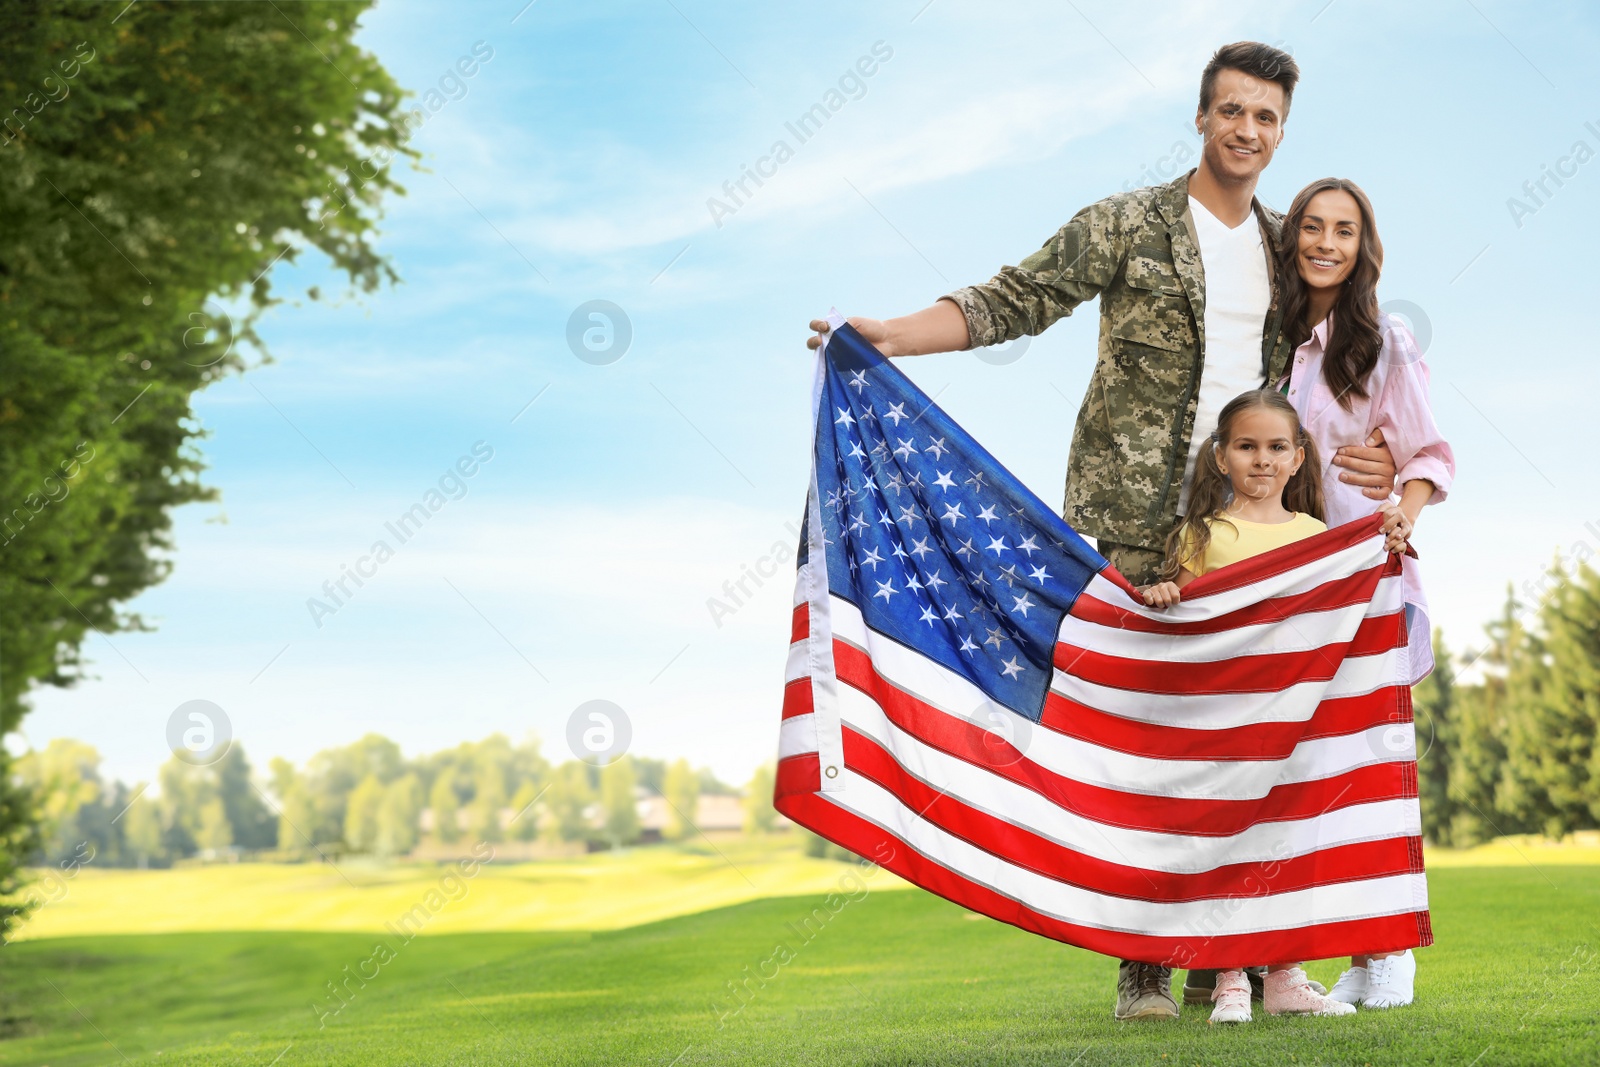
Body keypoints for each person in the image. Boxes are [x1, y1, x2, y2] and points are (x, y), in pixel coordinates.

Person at [808, 41, 1397, 1020]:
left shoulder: (1287, 244)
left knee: (1248, 738)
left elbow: (1355, 347)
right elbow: (1013, 298)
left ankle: (1242, 958)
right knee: (1139, 739)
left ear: (1282, 132)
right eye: (1231, 111)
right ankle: (1142, 966)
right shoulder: (1124, 224)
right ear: (1201, 117)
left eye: (1266, 118)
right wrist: (886, 337)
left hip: (1244, 532)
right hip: (1126, 526)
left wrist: (1385, 457)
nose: (1247, 131)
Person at [1139, 388, 1414, 1022]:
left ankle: (1286, 976)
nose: (1261, 460)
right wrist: (1162, 593)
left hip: (1296, 722)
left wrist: (1386, 544)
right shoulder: (1203, 533)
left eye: (1275, 448)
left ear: (1297, 458)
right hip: (1229, 721)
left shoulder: (1318, 538)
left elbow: (1338, 613)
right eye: (1246, 446)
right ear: (1221, 457)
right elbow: (1186, 605)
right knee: (1234, 840)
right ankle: (1232, 976)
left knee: (1286, 841)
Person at [1274, 176, 1456, 1009]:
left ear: (1362, 246)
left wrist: (1399, 514)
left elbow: (1429, 454)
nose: (1324, 242)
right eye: (1311, 226)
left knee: (1371, 763)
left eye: (1343, 230)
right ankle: (1346, 949)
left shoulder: (1382, 343)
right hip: (1286, 581)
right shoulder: (1271, 343)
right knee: (1312, 770)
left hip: (1363, 577)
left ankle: (1390, 952)